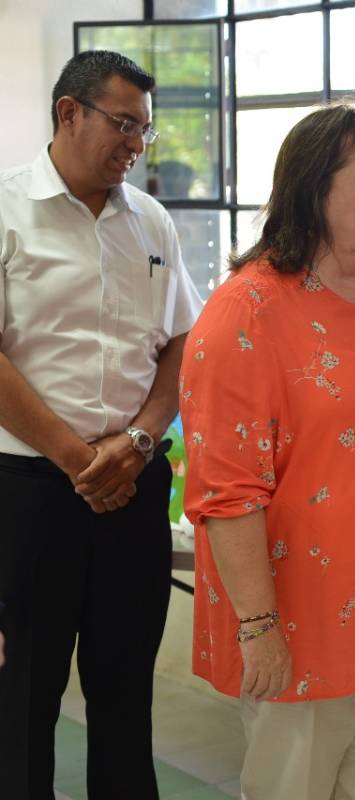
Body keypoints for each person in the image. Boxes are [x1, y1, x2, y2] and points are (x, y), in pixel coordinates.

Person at [178, 105, 355, 800]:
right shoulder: (247, 312)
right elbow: (227, 491)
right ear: (312, 188)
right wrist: (259, 628)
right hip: (297, 615)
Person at [0, 50, 203, 799]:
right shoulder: (7, 209)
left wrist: (141, 440)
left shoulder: (149, 219)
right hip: (28, 494)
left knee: (125, 699)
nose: (135, 144)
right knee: (23, 700)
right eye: (123, 124)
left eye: (144, 131)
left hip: (134, 488)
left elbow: (182, 340)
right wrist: (77, 459)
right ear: (68, 113)